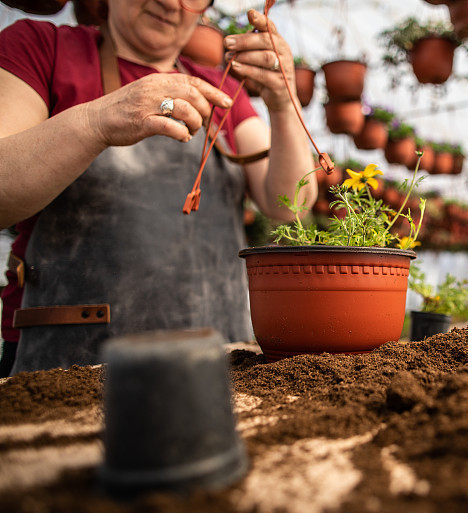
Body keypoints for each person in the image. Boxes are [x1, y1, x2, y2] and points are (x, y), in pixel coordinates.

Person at [0, 0, 317, 375]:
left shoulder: (222, 89)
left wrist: (284, 102)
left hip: (214, 362)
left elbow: (289, 206)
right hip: (71, 370)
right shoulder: (41, 48)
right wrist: (95, 122)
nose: (170, 2)